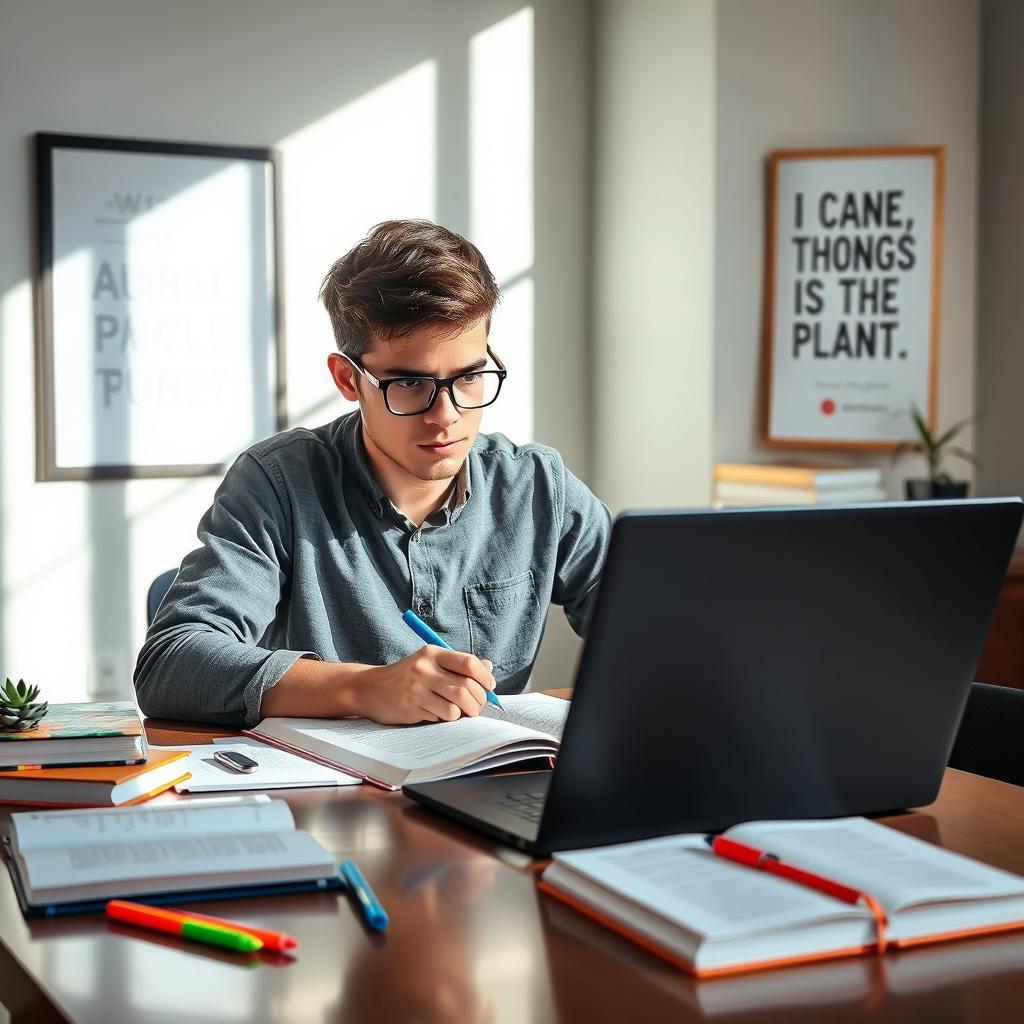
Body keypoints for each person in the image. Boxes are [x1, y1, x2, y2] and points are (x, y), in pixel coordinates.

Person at [134, 220, 610, 728]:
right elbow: (171, 663)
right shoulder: (278, 482)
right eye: (410, 383)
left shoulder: (537, 486)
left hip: (488, 782)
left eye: (470, 377)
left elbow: (654, 631)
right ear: (347, 379)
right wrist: (364, 687)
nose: (446, 414)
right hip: (330, 796)